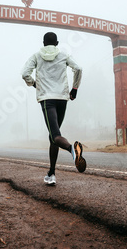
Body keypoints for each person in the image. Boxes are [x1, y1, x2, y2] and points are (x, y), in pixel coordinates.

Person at [21, 32, 85, 186]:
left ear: (43, 43)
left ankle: (72, 150)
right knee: (53, 137)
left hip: (47, 100)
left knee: (56, 135)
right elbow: (78, 68)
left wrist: (35, 84)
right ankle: (51, 173)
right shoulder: (63, 55)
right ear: (57, 43)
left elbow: (25, 74)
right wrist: (75, 88)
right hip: (62, 99)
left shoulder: (36, 56)